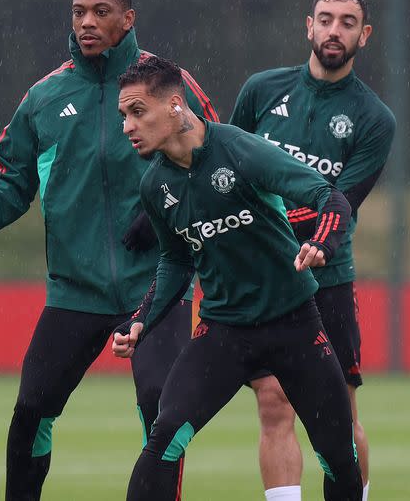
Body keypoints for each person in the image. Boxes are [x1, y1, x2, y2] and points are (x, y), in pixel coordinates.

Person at [0, 0, 218, 500]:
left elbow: (214, 162)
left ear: (128, 19)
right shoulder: (45, 98)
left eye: (100, 11)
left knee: (161, 406)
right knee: (31, 411)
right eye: (78, 12)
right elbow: (10, 179)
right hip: (75, 290)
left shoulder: (168, 86)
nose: (87, 22)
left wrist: (164, 209)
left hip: (155, 286)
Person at [112, 55, 361, 501]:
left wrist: (322, 243)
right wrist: (141, 319)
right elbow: (175, 261)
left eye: (137, 112)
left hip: (295, 326)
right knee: (164, 436)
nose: (128, 126)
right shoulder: (154, 187)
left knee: (338, 457)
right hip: (222, 333)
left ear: (174, 105)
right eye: (124, 116)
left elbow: (330, 197)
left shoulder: (239, 149)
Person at [229, 0, 395, 501]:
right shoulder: (261, 90)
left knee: (338, 416)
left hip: (327, 279)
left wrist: (270, 214)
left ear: (364, 35)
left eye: (347, 22)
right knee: (273, 402)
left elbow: (339, 205)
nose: (333, 30)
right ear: (308, 25)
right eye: (325, 19)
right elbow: (228, 168)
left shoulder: (374, 118)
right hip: (262, 276)